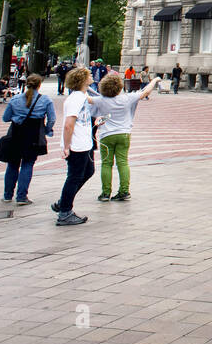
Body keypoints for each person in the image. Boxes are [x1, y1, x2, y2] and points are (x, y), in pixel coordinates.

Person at [88, 71, 159, 202]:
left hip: (106, 135)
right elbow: (145, 92)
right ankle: (124, 190)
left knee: (106, 164)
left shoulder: (100, 100)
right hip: (124, 134)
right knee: (123, 162)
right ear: (120, 86)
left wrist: (84, 84)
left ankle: (105, 193)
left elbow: (85, 98)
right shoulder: (127, 98)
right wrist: (154, 80)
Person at [0, 74, 55, 206]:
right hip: (34, 136)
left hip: (16, 134)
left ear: (26, 84)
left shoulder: (15, 99)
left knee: (12, 164)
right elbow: (52, 119)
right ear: (39, 85)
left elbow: (5, 118)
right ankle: (21, 196)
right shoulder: (46, 100)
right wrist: (47, 130)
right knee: (28, 164)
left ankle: (7, 195)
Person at [52, 66, 95, 226]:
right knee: (74, 177)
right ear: (82, 80)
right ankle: (64, 212)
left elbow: (95, 101)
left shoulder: (82, 95)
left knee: (88, 171)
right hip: (77, 145)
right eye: (88, 75)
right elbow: (69, 124)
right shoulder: (75, 98)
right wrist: (66, 146)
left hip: (85, 143)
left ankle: (63, 202)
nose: (91, 76)